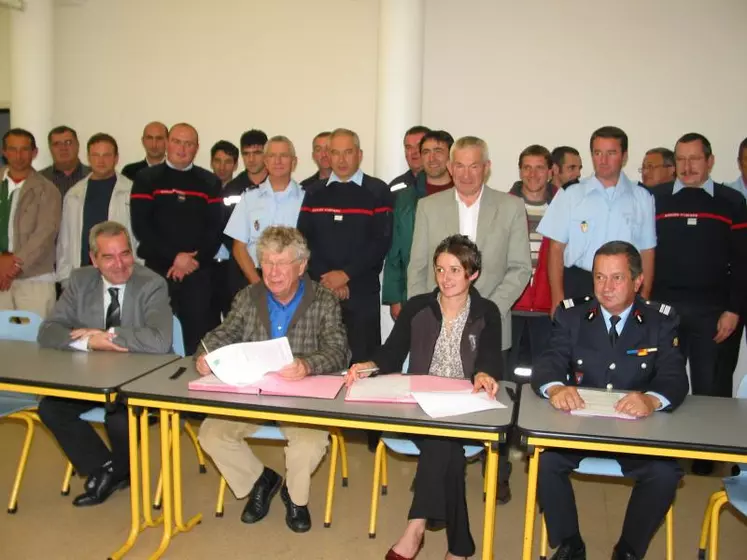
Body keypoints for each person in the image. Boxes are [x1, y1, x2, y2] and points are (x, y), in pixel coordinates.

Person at [346, 234, 501, 560]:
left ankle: (415, 528)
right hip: (418, 408)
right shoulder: (417, 307)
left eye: (455, 270)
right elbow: (390, 354)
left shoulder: (487, 312)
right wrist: (367, 365)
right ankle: (458, 548)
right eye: (440, 269)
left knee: (442, 442)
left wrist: (485, 373)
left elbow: (490, 359)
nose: (446, 278)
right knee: (444, 445)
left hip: (464, 408)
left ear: (473, 274)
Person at [532, 241, 688, 560]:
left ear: (637, 281)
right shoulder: (572, 315)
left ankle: (629, 550)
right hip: (580, 426)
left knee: (664, 473)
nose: (606, 287)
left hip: (637, 430)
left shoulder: (661, 321)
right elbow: (549, 362)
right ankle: (569, 544)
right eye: (599, 277)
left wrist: (652, 400)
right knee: (543, 462)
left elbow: (674, 376)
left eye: (616, 278)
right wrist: (555, 388)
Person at [197, 226, 349, 533]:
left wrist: (307, 364)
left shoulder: (323, 300)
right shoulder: (247, 297)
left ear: (301, 266)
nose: (274, 272)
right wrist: (205, 353)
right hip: (251, 393)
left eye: (282, 263)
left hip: (299, 396)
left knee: (307, 445)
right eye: (267, 262)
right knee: (211, 434)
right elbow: (225, 334)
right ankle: (261, 480)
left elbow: (339, 351)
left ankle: (295, 499)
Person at [37, 221, 172, 507]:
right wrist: (87, 343)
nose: (120, 264)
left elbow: (160, 341)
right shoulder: (79, 280)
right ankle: (109, 468)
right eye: (108, 257)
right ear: (94, 259)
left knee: (119, 417)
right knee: (51, 407)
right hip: (94, 378)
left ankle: (114, 472)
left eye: (125, 253)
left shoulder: (152, 283)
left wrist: (107, 335)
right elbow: (48, 330)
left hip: (143, 379)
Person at [651, 133, 747, 476]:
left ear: (710, 161)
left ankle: (704, 459)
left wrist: (734, 309)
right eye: (681, 159)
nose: (687, 167)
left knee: (707, 387)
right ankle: (661, 454)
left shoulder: (731, 201)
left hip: (712, 312)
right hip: (664, 311)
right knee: (664, 382)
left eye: (694, 159)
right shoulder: (655, 198)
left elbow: (743, 261)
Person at [408, 135, 531, 354]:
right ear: (450, 167)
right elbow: (417, 267)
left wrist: (488, 310)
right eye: (460, 166)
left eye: (473, 166)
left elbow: (520, 268)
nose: (466, 174)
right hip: (437, 326)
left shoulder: (511, 207)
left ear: (486, 167)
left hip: (491, 326)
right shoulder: (428, 207)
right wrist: (424, 314)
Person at [298, 127, 394, 364]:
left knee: (363, 366)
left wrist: (346, 275)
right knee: (321, 363)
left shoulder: (378, 191)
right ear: (327, 156)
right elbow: (303, 240)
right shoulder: (313, 192)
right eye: (335, 153)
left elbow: (380, 242)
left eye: (348, 152)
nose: (341, 159)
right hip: (320, 291)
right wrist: (328, 279)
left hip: (362, 292)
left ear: (359, 155)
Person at [130, 122, 223, 354]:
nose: (182, 148)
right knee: (155, 334)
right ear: (167, 143)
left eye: (189, 144)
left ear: (197, 148)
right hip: (158, 271)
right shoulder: (146, 179)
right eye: (177, 142)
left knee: (197, 340)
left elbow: (215, 229)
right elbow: (141, 227)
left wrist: (192, 260)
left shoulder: (209, 181)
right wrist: (175, 257)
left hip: (197, 272)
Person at [538, 126, 656, 309]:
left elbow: (647, 252)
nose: (603, 160)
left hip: (624, 286)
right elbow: (555, 249)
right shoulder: (571, 193)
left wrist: (644, 297)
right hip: (579, 284)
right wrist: (557, 299)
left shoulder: (642, 197)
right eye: (598, 153)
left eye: (611, 153)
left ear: (624, 156)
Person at [382, 130, 454, 321]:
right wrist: (395, 297)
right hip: (416, 290)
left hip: (457, 290)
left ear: (450, 155)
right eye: (426, 152)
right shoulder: (405, 198)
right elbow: (395, 251)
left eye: (438, 151)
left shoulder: (463, 194)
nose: (432, 158)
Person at [57, 133, 136, 285]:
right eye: (95, 155)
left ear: (116, 158)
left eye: (106, 155)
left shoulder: (131, 191)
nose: (101, 160)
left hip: (121, 274)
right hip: (83, 277)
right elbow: (64, 242)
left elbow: (137, 238)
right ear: (88, 157)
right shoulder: (74, 195)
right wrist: (65, 279)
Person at [225, 136, 303, 288]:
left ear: (294, 162)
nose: (278, 161)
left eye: (284, 156)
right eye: (272, 156)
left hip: (294, 280)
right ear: (266, 162)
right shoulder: (249, 197)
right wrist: (258, 284)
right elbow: (239, 247)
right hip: (253, 278)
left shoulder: (306, 199)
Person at [0, 128, 61, 318]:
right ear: (4, 152)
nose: (18, 155)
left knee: (32, 343)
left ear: (34, 153)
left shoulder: (48, 190)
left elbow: (45, 233)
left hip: (35, 280)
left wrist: (13, 266)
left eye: (24, 149)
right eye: (12, 149)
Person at [507, 145, 556, 375]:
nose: (532, 174)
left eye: (539, 168)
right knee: (506, 378)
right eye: (527, 168)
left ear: (550, 172)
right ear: (519, 171)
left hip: (548, 309)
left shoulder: (564, 207)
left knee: (544, 378)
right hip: (511, 307)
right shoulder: (503, 206)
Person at [209, 139, 240, 318]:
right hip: (208, 264)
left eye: (228, 162)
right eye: (218, 161)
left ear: (235, 165)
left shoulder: (242, 191)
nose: (222, 167)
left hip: (232, 264)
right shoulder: (204, 187)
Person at [40, 125, 91, 198]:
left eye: (68, 142)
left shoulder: (94, 177)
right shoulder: (39, 180)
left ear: (77, 145)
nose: (63, 148)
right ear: (50, 149)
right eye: (57, 144)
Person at [389, 125, 431, 193]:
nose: (414, 152)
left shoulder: (445, 184)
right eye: (409, 147)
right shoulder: (395, 186)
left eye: (419, 146)